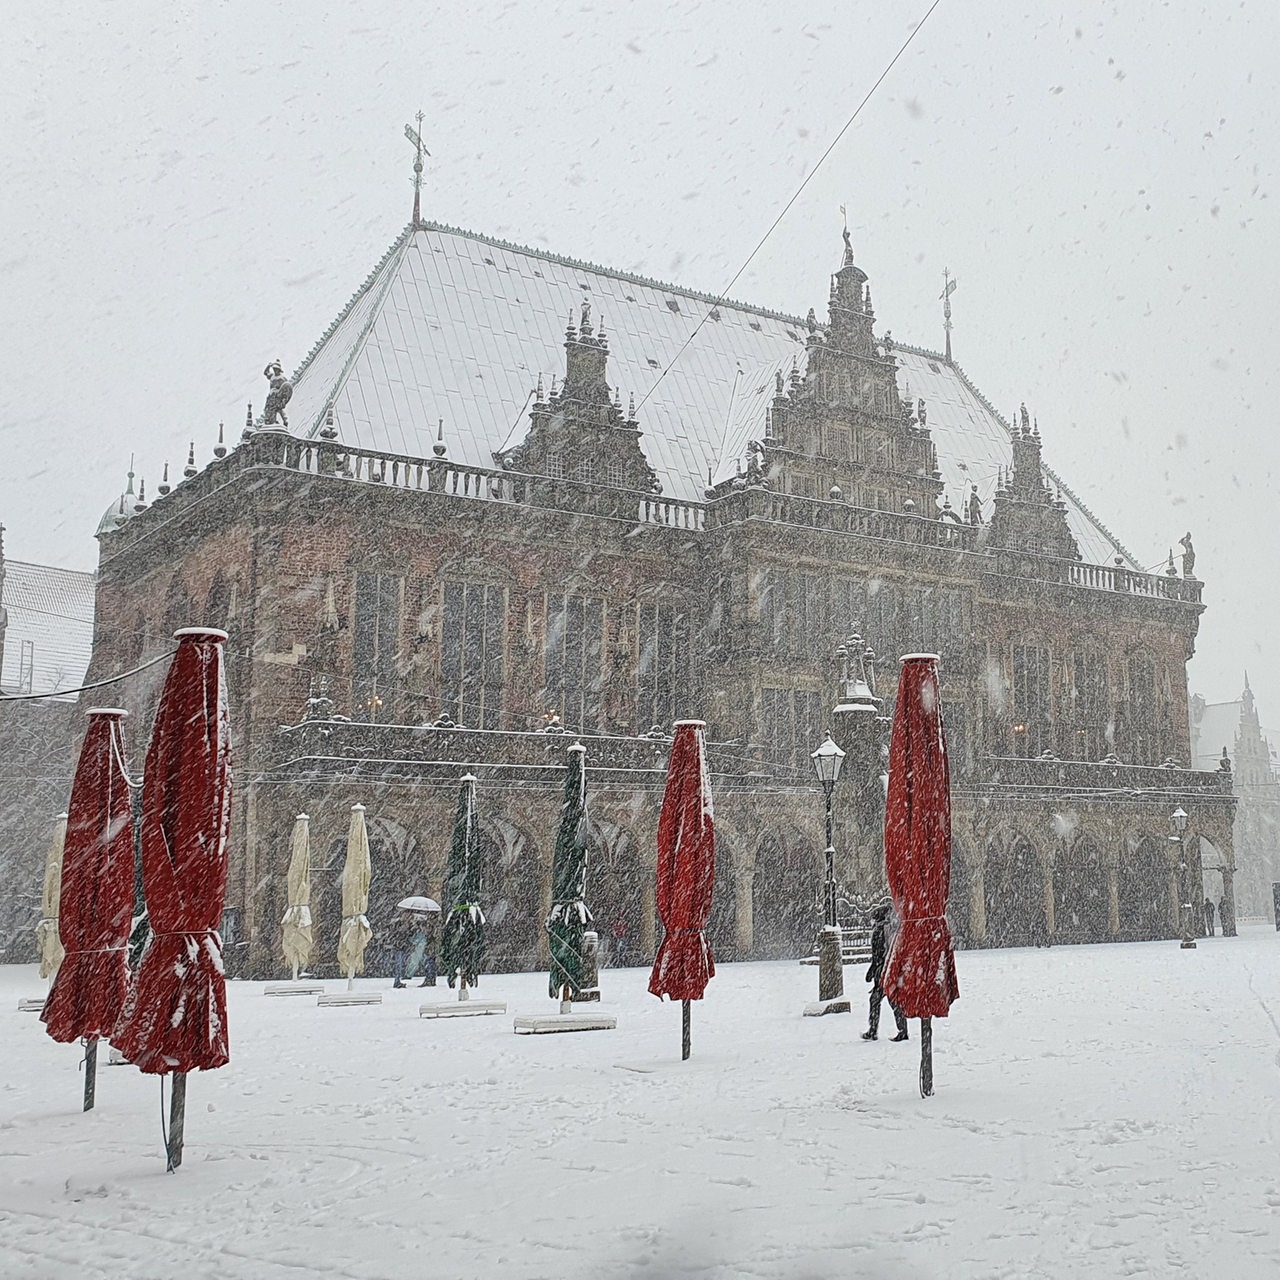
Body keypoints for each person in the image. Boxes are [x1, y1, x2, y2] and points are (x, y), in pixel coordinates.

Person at [862, 903, 908, 1042]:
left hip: (884, 972)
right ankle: (878, 1030)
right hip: (885, 971)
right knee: (882, 1000)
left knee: (888, 1000)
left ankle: (877, 1031)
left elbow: (879, 955)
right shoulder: (887, 930)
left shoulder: (880, 931)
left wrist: (873, 971)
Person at [389, 910, 417, 988]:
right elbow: (397, 934)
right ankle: (397, 981)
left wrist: (412, 927)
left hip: (404, 947)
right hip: (399, 947)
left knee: (401, 965)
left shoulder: (409, 925)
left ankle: (398, 980)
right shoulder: (399, 923)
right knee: (399, 964)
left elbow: (411, 935)